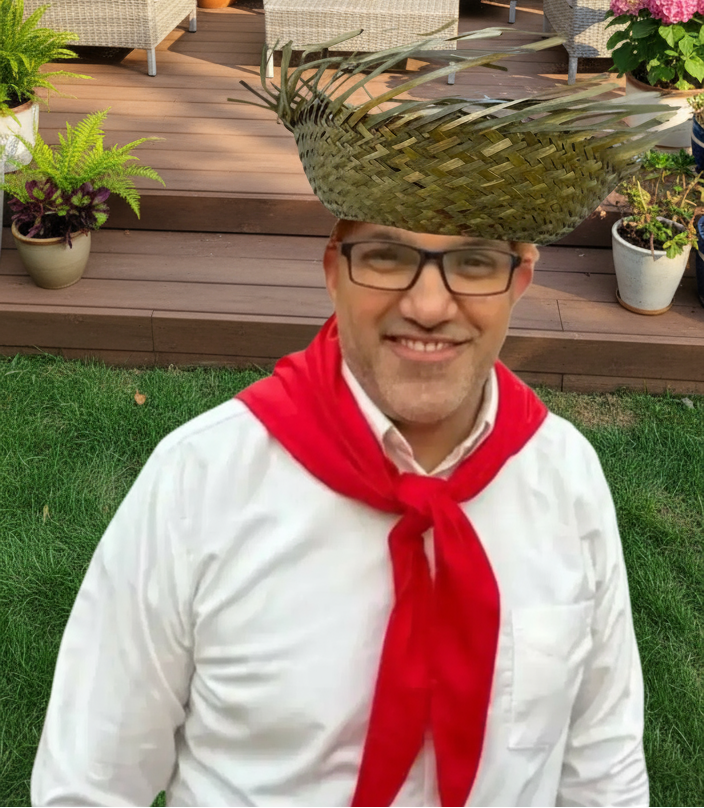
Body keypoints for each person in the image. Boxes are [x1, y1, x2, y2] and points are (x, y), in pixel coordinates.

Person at [31, 30, 660, 808]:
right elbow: (90, 782)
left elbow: (602, 767)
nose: (428, 305)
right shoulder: (201, 484)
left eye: (473, 262)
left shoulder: (565, 481)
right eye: (387, 255)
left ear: (520, 281)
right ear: (334, 272)